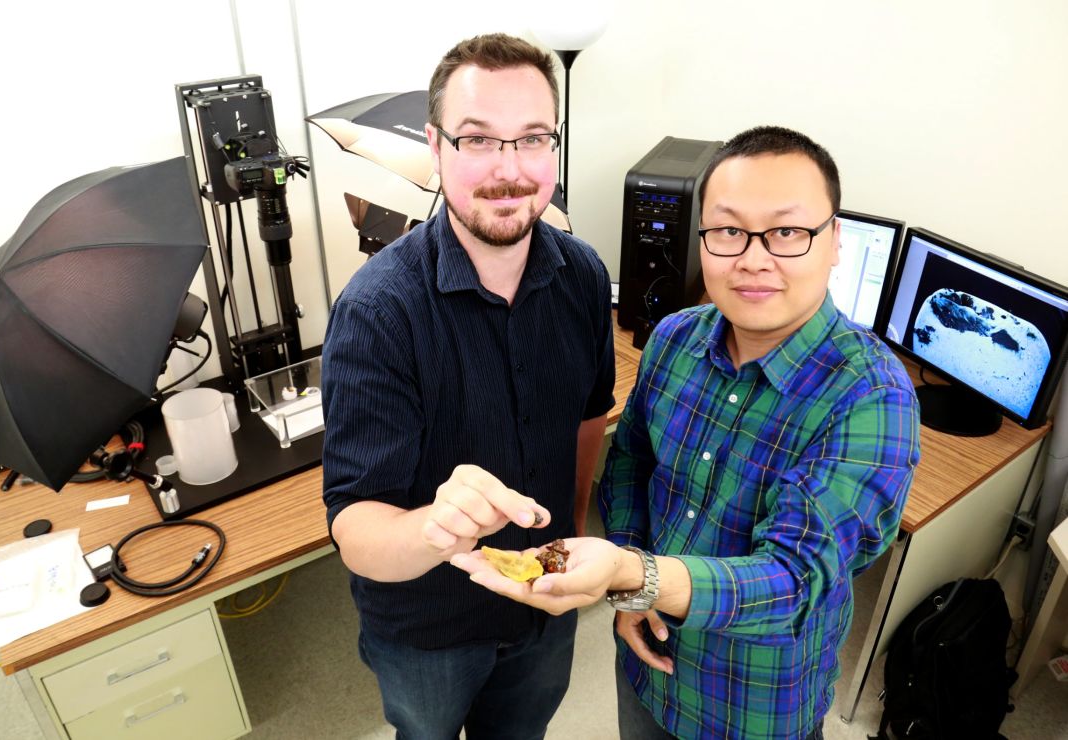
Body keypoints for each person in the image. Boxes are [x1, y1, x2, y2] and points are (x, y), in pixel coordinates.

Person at [453, 126, 921, 739]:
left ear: (835, 242)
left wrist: (632, 576)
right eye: (728, 231)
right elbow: (631, 463)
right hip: (646, 667)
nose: (754, 259)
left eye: (787, 232)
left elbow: (794, 578)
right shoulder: (675, 338)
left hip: (749, 703)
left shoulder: (871, 397)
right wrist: (632, 584)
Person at [319, 33, 615, 739]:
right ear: (436, 145)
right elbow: (355, 528)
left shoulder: (583, 277)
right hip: (430, 626)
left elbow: (587, 419)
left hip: (545, 597)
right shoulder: (377, 312)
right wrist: (434, 526)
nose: (508, 171)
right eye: (478, 140)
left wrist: (569, 532)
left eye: (532, 139)